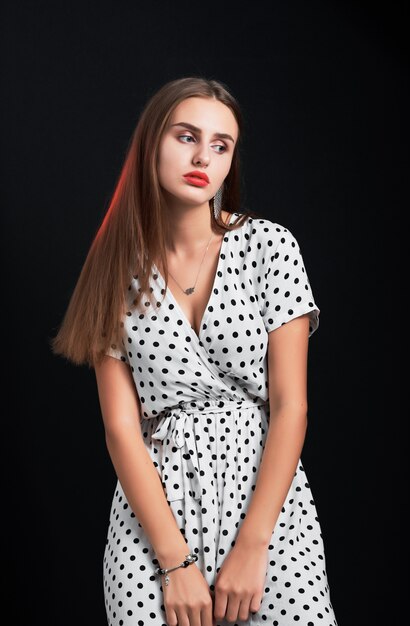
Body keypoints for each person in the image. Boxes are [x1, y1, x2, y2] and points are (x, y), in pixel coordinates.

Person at [51, 76, 338, 626]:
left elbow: (291, 406)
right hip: (153, 516)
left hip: (266, 500)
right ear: (151, 142)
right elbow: (120, 428)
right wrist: (174, 561)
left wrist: (254, 546)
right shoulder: (114, 269)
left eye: (221, 144)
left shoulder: (268, 246)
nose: (203, 155)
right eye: (186, 136)